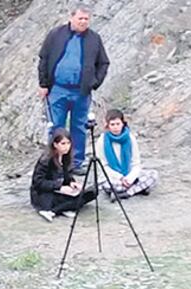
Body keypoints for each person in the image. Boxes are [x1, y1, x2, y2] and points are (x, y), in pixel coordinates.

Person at [38, 4, 110, 172]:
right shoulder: (56, 34)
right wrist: (43, 84)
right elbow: (44, 58)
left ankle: (75, 163)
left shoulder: (94, 38)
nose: (83, 22)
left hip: (81, 91)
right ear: (72, 18)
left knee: (79, 127)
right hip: (58, 89)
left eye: (86, 19)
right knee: (56, 127)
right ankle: (54, 163)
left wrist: (94, 82)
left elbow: (103, 63)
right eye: (80, 18)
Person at [30, 128, 96, 222]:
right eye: (63, 144)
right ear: (55, 144)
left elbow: (67, 175)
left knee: (92, 192)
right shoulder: (46, 160)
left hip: (61, 190)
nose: (66, 147)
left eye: (68, 143)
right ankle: (55, 210)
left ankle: (64, 207)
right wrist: (59, 187)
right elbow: (38, 182)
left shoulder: (66, 157)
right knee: (75, 200)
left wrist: (72, 183)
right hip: (44, 193)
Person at [94, 109, 158, 199]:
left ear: (122, 124)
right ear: (108, 126)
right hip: (113, 177)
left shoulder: (130, 138)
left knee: (153, 175)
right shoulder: (102, 141)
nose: (115, 127)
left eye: (118, 124)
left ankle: (127, 193)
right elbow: (103, 166)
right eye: (112, 124)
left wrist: (129, 178)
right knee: (106, 185)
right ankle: (137, 189)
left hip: (129, 174)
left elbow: (136, 163)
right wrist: (120, 178)